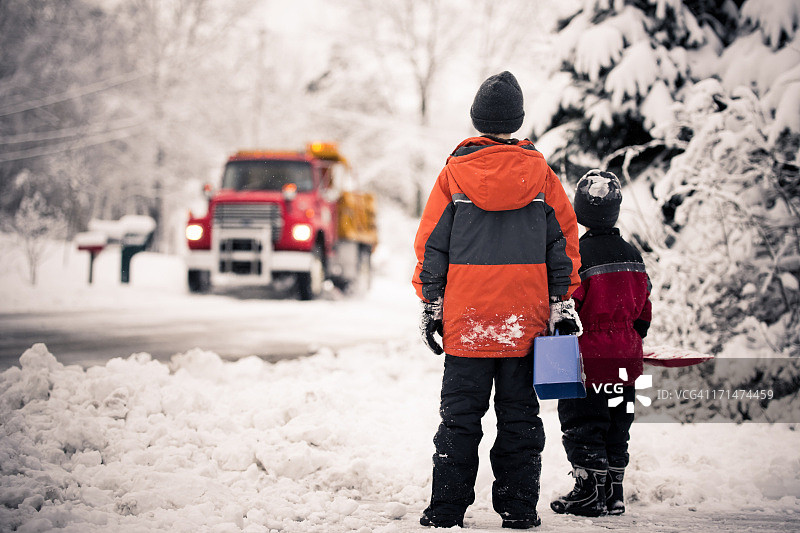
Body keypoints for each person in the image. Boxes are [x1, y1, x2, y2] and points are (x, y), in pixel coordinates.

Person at [412, 71, 582, 529]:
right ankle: (519, 509)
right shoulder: (542, 177)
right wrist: (561, 301)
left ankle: (446, 510)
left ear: (477, 119)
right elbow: (564, 245)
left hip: (467, 322)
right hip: (524, 324)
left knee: (459, 420)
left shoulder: (454, 176)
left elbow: (431, 246)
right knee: (520, 419)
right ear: (517, 120)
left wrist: (432, 302)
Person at [550, 169, 652, 517]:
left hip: (588, 360)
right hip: (626, 359)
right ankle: (614, 492)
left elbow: (568, 307)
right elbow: (644, 310)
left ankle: (588, 492)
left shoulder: (577, 256)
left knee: (583, 423)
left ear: (579, 212)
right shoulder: (633, 255)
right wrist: (629, 337)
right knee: (617, 425)